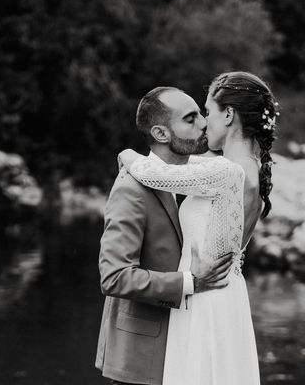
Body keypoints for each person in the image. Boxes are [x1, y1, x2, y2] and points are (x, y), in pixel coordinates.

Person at [118, 71, 278, 385]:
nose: (204, 122)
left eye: (207, 111)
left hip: (204, 298)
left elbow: (152, 173)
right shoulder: (248, 169)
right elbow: (191, 165)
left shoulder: (226, 172)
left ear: (229, 114)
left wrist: (126, 155)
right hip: (226, 295)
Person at [95, 86, 236, 385]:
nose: (203, 123)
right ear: (160, 133)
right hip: (141, 355)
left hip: (187, 344)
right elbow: (114, 276)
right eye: (190, 119)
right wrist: (191, 282)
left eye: (201, 114)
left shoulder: (197, 179)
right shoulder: (130, 189)